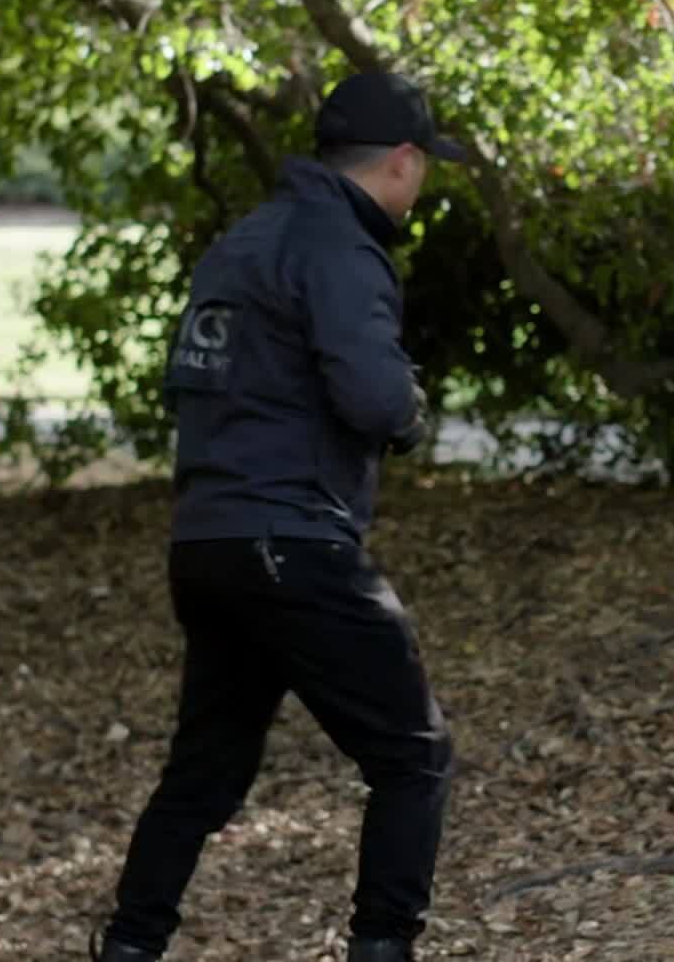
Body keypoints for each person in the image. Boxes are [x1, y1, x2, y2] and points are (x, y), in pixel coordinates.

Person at [92, 72, 466, 962]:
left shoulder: (245, 242)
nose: (422, 182)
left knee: (204, 775)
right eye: (425, 165)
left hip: (207, 545)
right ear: (402, 161)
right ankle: (383, 946)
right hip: (292, 543)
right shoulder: (340, 247)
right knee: (413, 754)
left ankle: (130, 946)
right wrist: (410, 409)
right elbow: (374, 396)